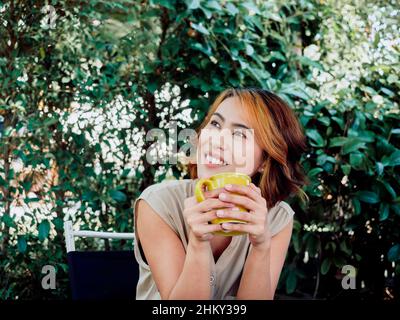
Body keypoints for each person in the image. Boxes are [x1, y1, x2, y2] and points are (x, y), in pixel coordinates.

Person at [133, 88, 308, 300]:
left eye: (239, 134)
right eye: (215, 124)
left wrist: (261, 247)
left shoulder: (277, 219)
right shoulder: (157, 204)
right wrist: (198, 244)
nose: (216, 140)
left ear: (264, 161)